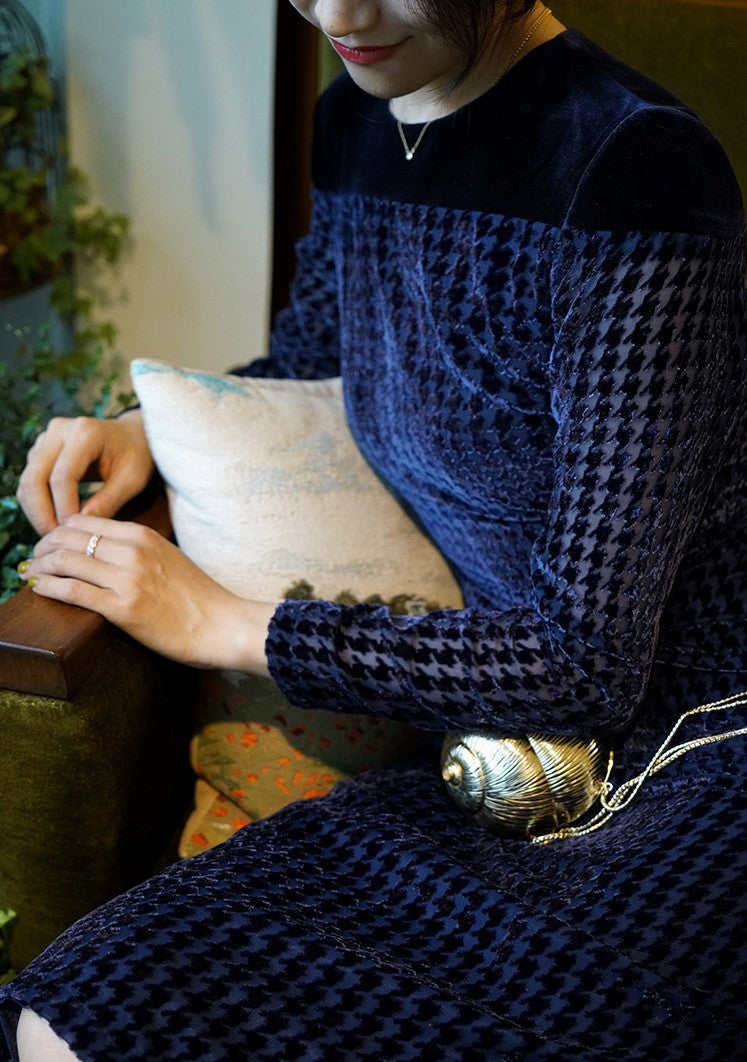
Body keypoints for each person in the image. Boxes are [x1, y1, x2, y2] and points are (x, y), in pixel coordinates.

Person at [2, 0, 746, 1057]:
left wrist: (228, 625)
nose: (340, 14)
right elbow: (314, 359)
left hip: (695, 771)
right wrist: (142, 432)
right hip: (484, 762)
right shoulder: (359, 119)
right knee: (71, 1010)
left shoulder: (639, 172)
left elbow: (588, 659)